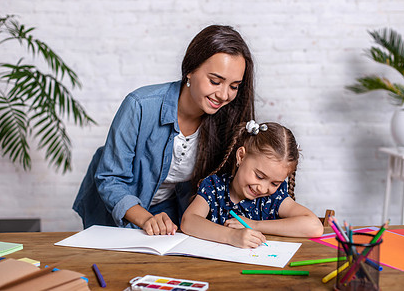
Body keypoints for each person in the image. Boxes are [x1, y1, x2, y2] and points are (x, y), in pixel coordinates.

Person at [73, 25, 255, 236]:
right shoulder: (140, 105)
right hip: (115, 210)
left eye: (234, 86)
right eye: (215, 81)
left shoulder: (227, 120)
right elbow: (110, 178)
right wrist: (147, 219)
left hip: (169, 212)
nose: (224, 95)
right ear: (190, 70)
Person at [181, 120, 324, 248]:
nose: (262, 188)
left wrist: (253, 224)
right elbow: (189, 221)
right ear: (241, 156)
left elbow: (314, 226)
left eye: (275, 183)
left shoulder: (274, 198)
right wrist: (231, 236)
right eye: (259, 176)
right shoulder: (214, 187)